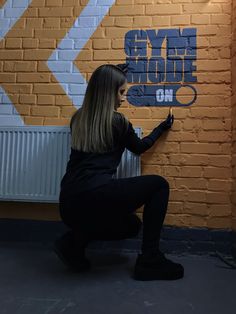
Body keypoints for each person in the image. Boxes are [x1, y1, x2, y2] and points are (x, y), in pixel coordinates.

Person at [55, 64, 184, 281]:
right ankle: (150, 260)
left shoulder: (77, 119)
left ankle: (72, 243)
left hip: (68, 203)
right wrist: (161, 128)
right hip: (95, 196)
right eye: (121, 92)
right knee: (159, 185)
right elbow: (140, 147)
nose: (123, 98)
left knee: (132, 225)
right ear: (108, 92)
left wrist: (114, 73)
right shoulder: (118, 122)